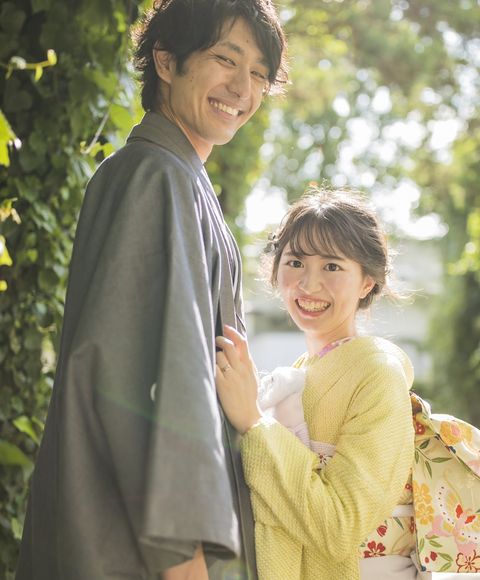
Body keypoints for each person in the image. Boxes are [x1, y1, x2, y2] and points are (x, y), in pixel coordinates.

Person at [16, 1, 287, 579]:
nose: (243, 88)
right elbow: (149, 377)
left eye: (260, 74)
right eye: (225, 60)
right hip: (136, 547)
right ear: (166, 61)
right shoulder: (157, 176)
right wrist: (184, 558)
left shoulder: (170, 176)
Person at [215, 188, 427, 579]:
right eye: (295, 262)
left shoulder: (378, 374)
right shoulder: (302, 370)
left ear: (367, 282)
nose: (309, 285)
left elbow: (341, 525)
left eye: (332, 266)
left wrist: (254, 423)